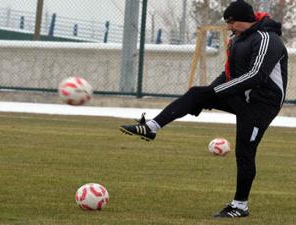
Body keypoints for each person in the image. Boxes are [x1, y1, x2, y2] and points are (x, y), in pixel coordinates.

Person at [120, 0, 288, 218]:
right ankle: (152, 126)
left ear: (243, 20)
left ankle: (239, 206)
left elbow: (257, 75)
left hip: (263, 104)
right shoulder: (237, 40)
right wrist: (210, 92)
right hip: (242, 96)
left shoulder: (268, 39)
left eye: (231, 22)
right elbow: (228, 74)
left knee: (245, 152)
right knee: (196, 94)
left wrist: (218, 92)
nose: (229, 27)